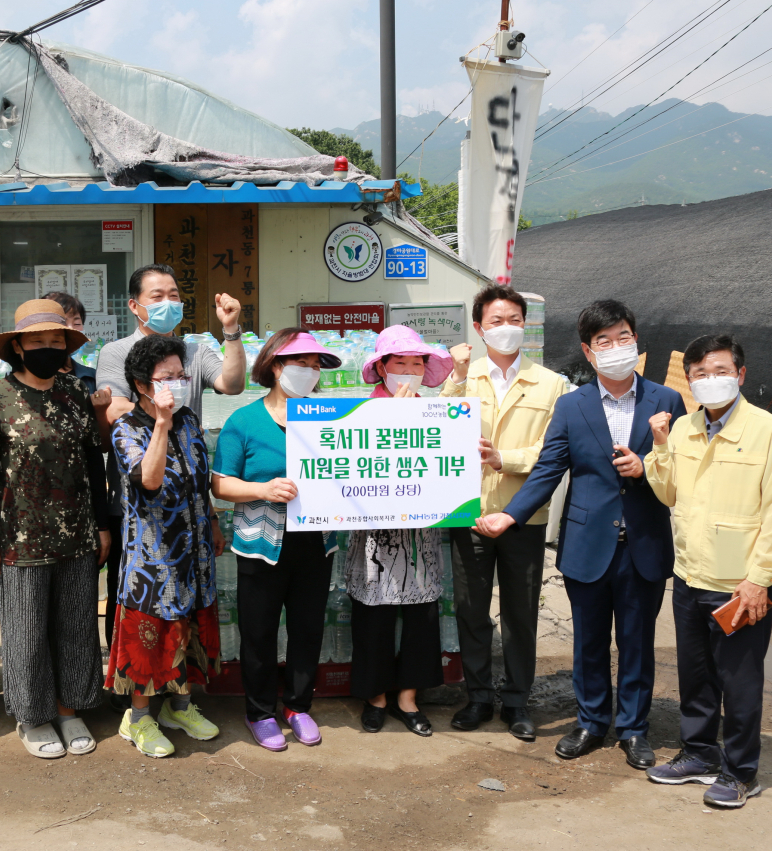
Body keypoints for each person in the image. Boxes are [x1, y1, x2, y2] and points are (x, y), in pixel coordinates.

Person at [477, 300, 686, 769]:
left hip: (645, 541)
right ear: (589, 353)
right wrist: (510, 516)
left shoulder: (666, 401)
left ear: (636, 341)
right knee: (588, 640)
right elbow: (548, 468)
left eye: (624, 337)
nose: (616, 348)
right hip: (587, 541)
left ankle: (634, 729)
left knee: (636, 640)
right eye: (604, 341)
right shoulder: (572, 406)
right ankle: (591, 722)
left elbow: (683, 471)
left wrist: (648, 467)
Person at [644, 334, 772, 808]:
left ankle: (740, 771)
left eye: (720, 371)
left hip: (739, 584)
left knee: (740, 681)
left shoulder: (770, 431)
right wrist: (660, 446)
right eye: (700, 374)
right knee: (696, 676)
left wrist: (760, 578)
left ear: (741, 374)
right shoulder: (685, 428)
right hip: (690, 575)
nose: (711, 381)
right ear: (688, 380)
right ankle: (698, 753)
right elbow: (668, 494)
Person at [96, 263, 246, 697]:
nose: (168, 303)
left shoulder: (195, 351)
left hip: (191, 510)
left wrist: (231, 329)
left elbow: (232, 384)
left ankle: (181, 699)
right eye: (156, 296)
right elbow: (115, 410)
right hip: (146, 501)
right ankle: (136, 704)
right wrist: (158, 419)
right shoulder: (118, 353)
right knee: (143, 606)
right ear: (135, 305)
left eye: (174, 294)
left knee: (190, 606)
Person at [0, 299, 110, 759]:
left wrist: (103, 526)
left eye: (57, 341)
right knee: (26, 631)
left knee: (75, 627)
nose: (48, 348)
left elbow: (94, 460)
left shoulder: (74, 392)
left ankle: (70, 709)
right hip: (21, 539)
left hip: (77, 536)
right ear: (18, 346)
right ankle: (32, 716)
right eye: (38, 342)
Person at [441, 286, 568, 742]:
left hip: (522, 516)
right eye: (495, 320)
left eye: (514, 318)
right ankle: (477, 697)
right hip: (469, 514)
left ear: (525, 324)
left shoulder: (551, 383)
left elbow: (553, 450)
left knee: (521, 612)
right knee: (472, 611)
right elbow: (433, 429)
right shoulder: (462, 377)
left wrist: (504, 459)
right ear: (479, 328)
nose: (506, 328)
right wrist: (454, 376)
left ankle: (516, 701)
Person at [211, 329, 341, 751]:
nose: (310, 371)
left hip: (316, 541)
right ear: (275, 366)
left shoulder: (332, 417)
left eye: (316, 364)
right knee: (259, 632)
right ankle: (260, 711)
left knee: (307, 629)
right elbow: (221, 484)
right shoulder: (244, 421)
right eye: (300, 363)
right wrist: (263, 490)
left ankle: (299, 706)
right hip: (262, 542)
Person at [106, 334, 225, 757]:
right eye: (165, 377)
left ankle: (180, 706)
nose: (175, 384)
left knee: (190, 624)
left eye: (180, 375)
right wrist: (160, 422)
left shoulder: (190, 420)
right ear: (141, 385)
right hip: (153, 559)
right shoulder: (126, 428)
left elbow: (199, 476)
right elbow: (149, 481)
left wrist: (211, 519)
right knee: (151, 635)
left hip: (194, 549)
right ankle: (137, 718)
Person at [346, 325, 454, 737]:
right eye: (400, 363)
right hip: (374, 532)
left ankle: (409, 698)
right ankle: (375, 697)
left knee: (421, 615)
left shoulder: (436, 411)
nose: (408, 370)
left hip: (420, 533)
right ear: (382, 368)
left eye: (417, 363)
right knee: (373, 615)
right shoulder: (360, 411)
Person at [43, 291, 97, 392]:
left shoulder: (90, 377)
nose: (71, 329)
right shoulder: (26, 376)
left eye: (77, 323)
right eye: (62, 322)